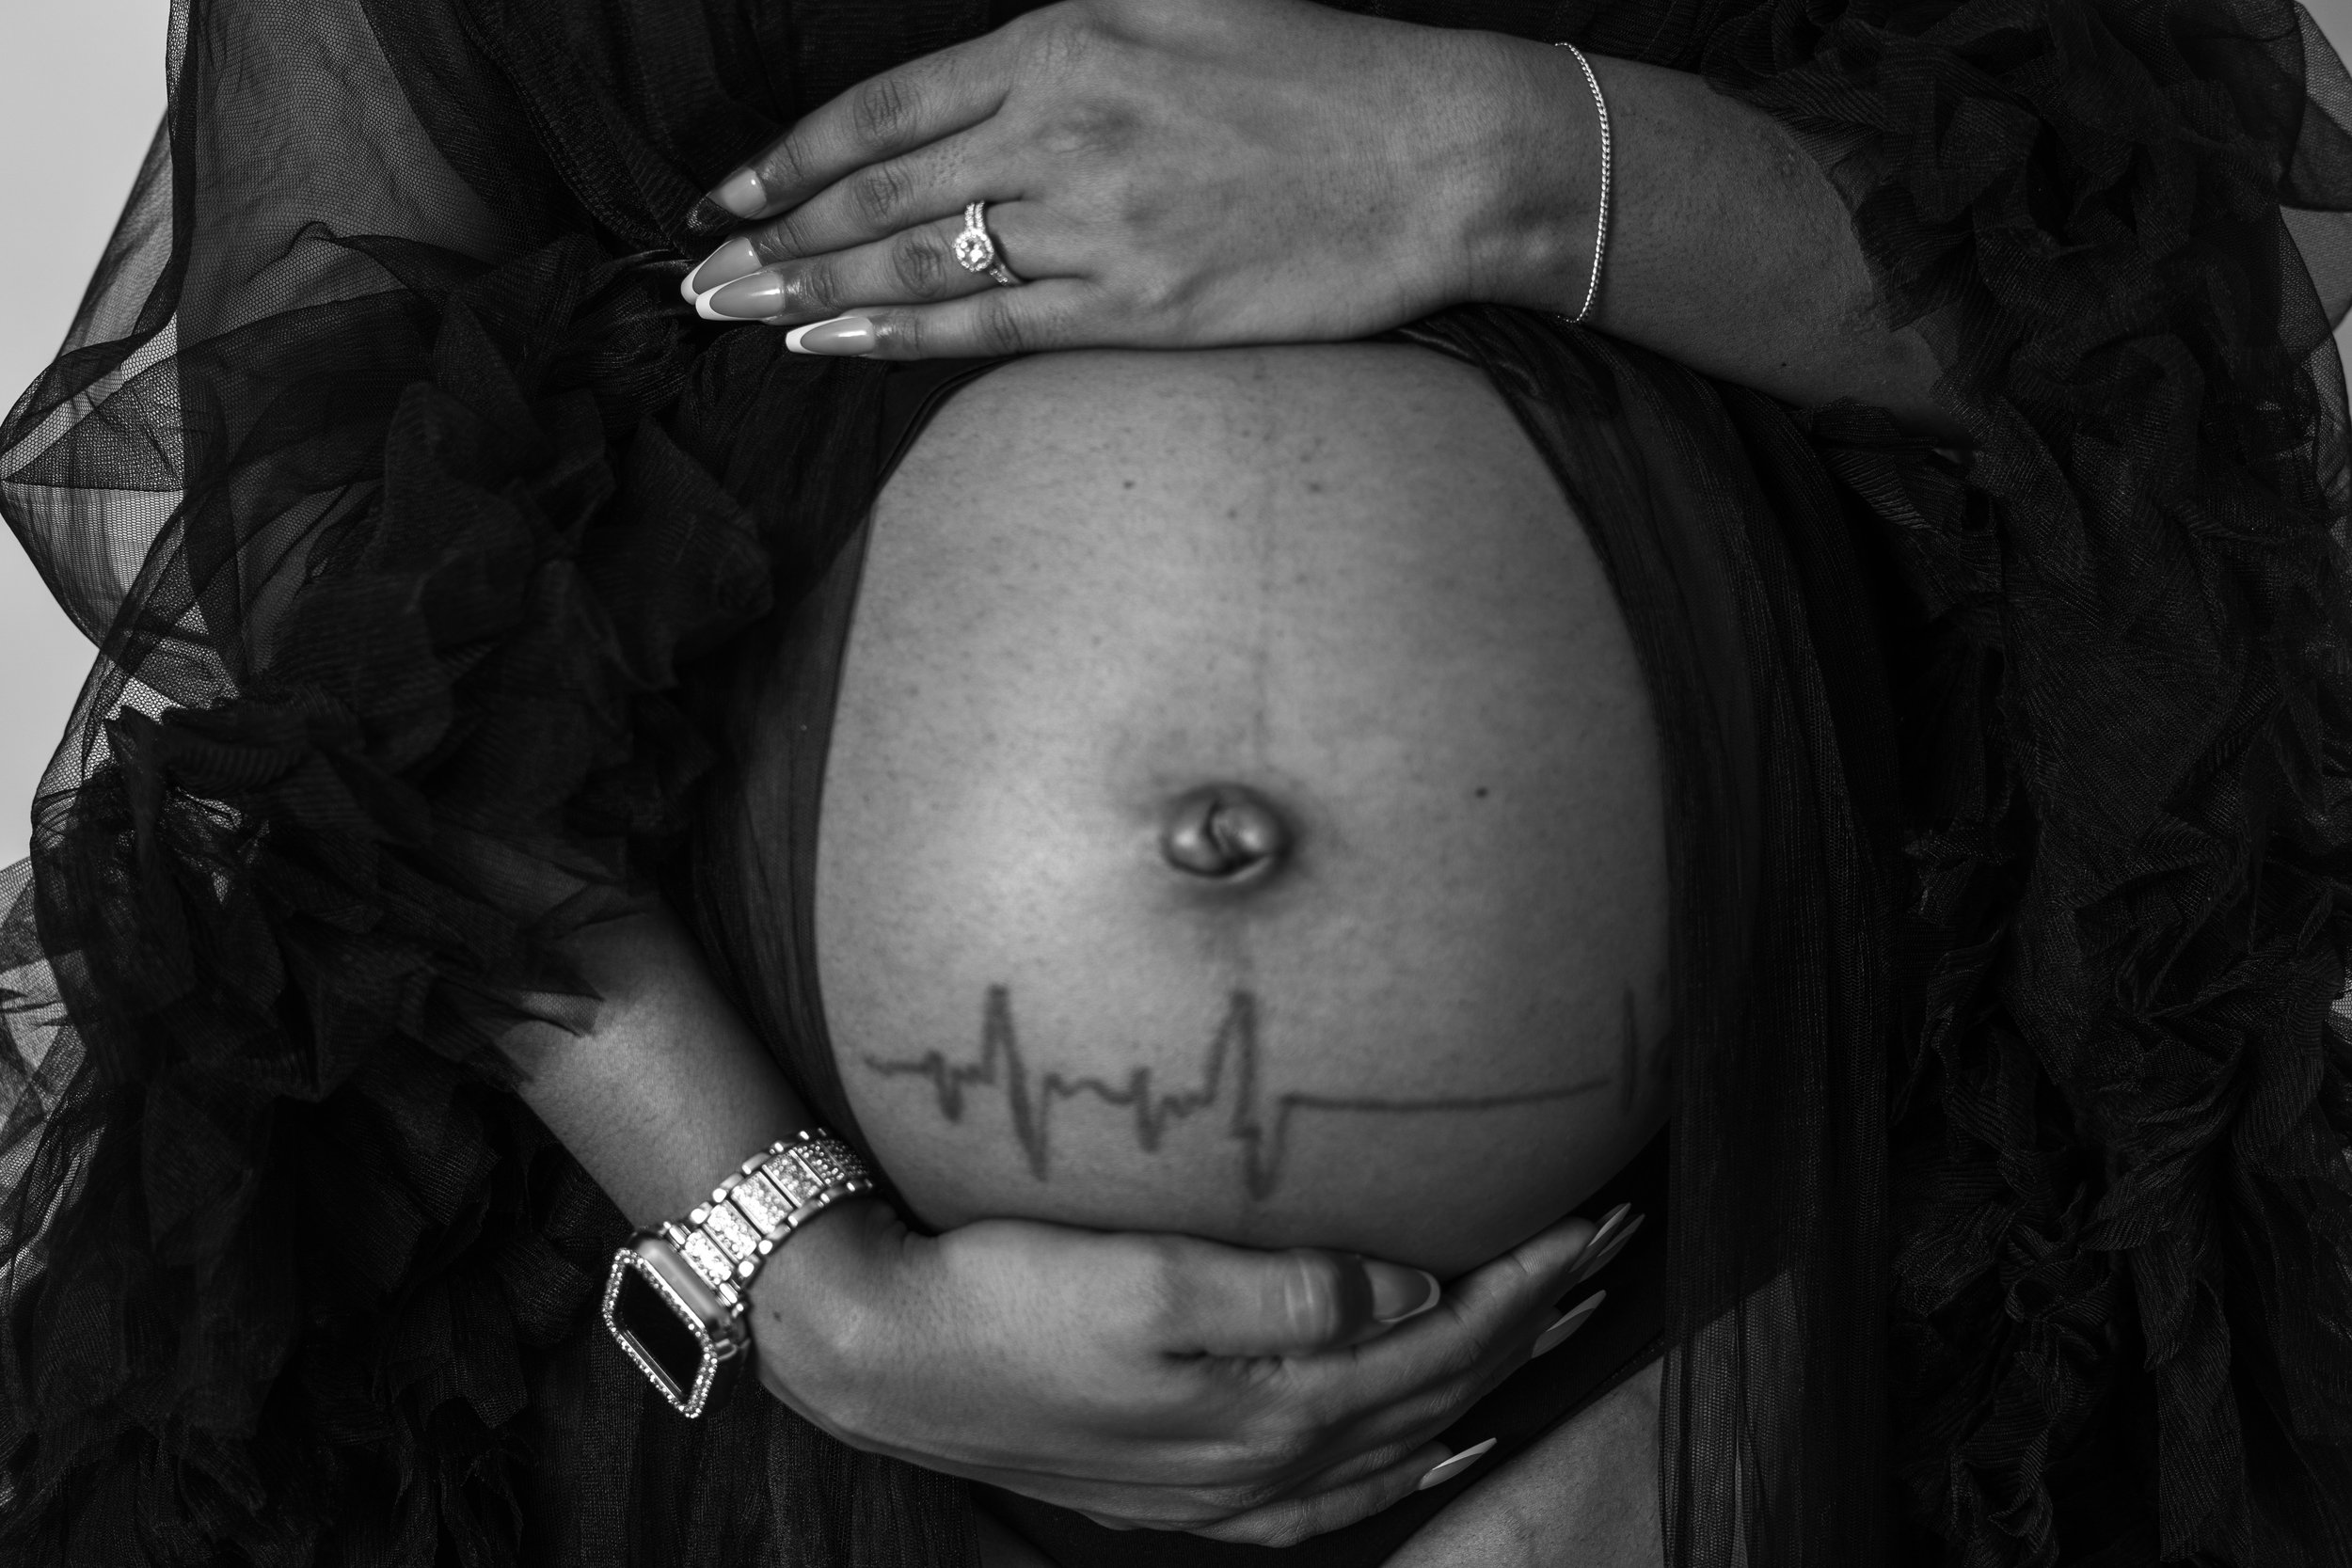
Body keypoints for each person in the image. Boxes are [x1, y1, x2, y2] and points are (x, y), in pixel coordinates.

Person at [3, 1, 2350, 1565]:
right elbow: (327, 539)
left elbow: (2146, 331)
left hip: (1749, 1286)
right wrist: (801, 1285)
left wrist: (1505, 160)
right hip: (745, 1366)